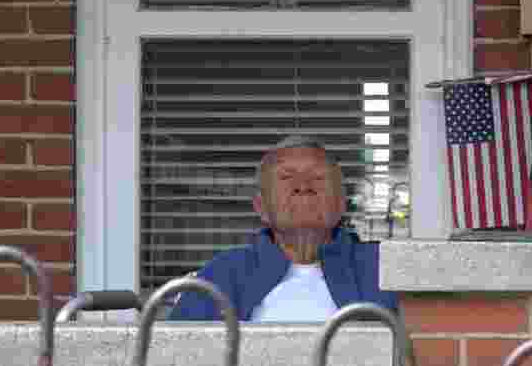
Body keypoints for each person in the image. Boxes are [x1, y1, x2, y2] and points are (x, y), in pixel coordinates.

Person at [168, 135, 399, 321]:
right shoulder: (223, 274)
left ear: (341, 204)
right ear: (261, 208)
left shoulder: (383, 269)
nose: (303, 186)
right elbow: (174, 365)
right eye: (287, 177)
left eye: (318, 177)